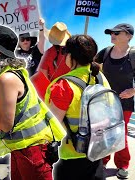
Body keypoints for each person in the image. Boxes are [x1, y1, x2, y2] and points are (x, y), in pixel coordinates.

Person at [0, 24, 65, 180]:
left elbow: (5, 125)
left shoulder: (6, 79)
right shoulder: (7, 75)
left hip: (32, 152)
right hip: (25, 149)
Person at [44, 35, 108, 180]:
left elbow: (52, 127)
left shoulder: (63, 85)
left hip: (70, 157)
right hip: (96, 151)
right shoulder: (101, 78)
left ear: (70, 56)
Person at [94, 23, 134, 179]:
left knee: (120, 134)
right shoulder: (105, 53)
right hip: (104, 102)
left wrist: (133, 91)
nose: (113, 35)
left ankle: (123, 165)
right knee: (103, 133)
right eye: (111, 32)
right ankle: (103, 161)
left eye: (117, 33)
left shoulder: (133, 55)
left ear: (129, 36)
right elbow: (90, 66)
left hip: (124, 103)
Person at [31, 22, 71, 100]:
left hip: (54, 92)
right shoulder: (71, 53)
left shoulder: (48, 53)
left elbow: (43, 74)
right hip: (70, 90)